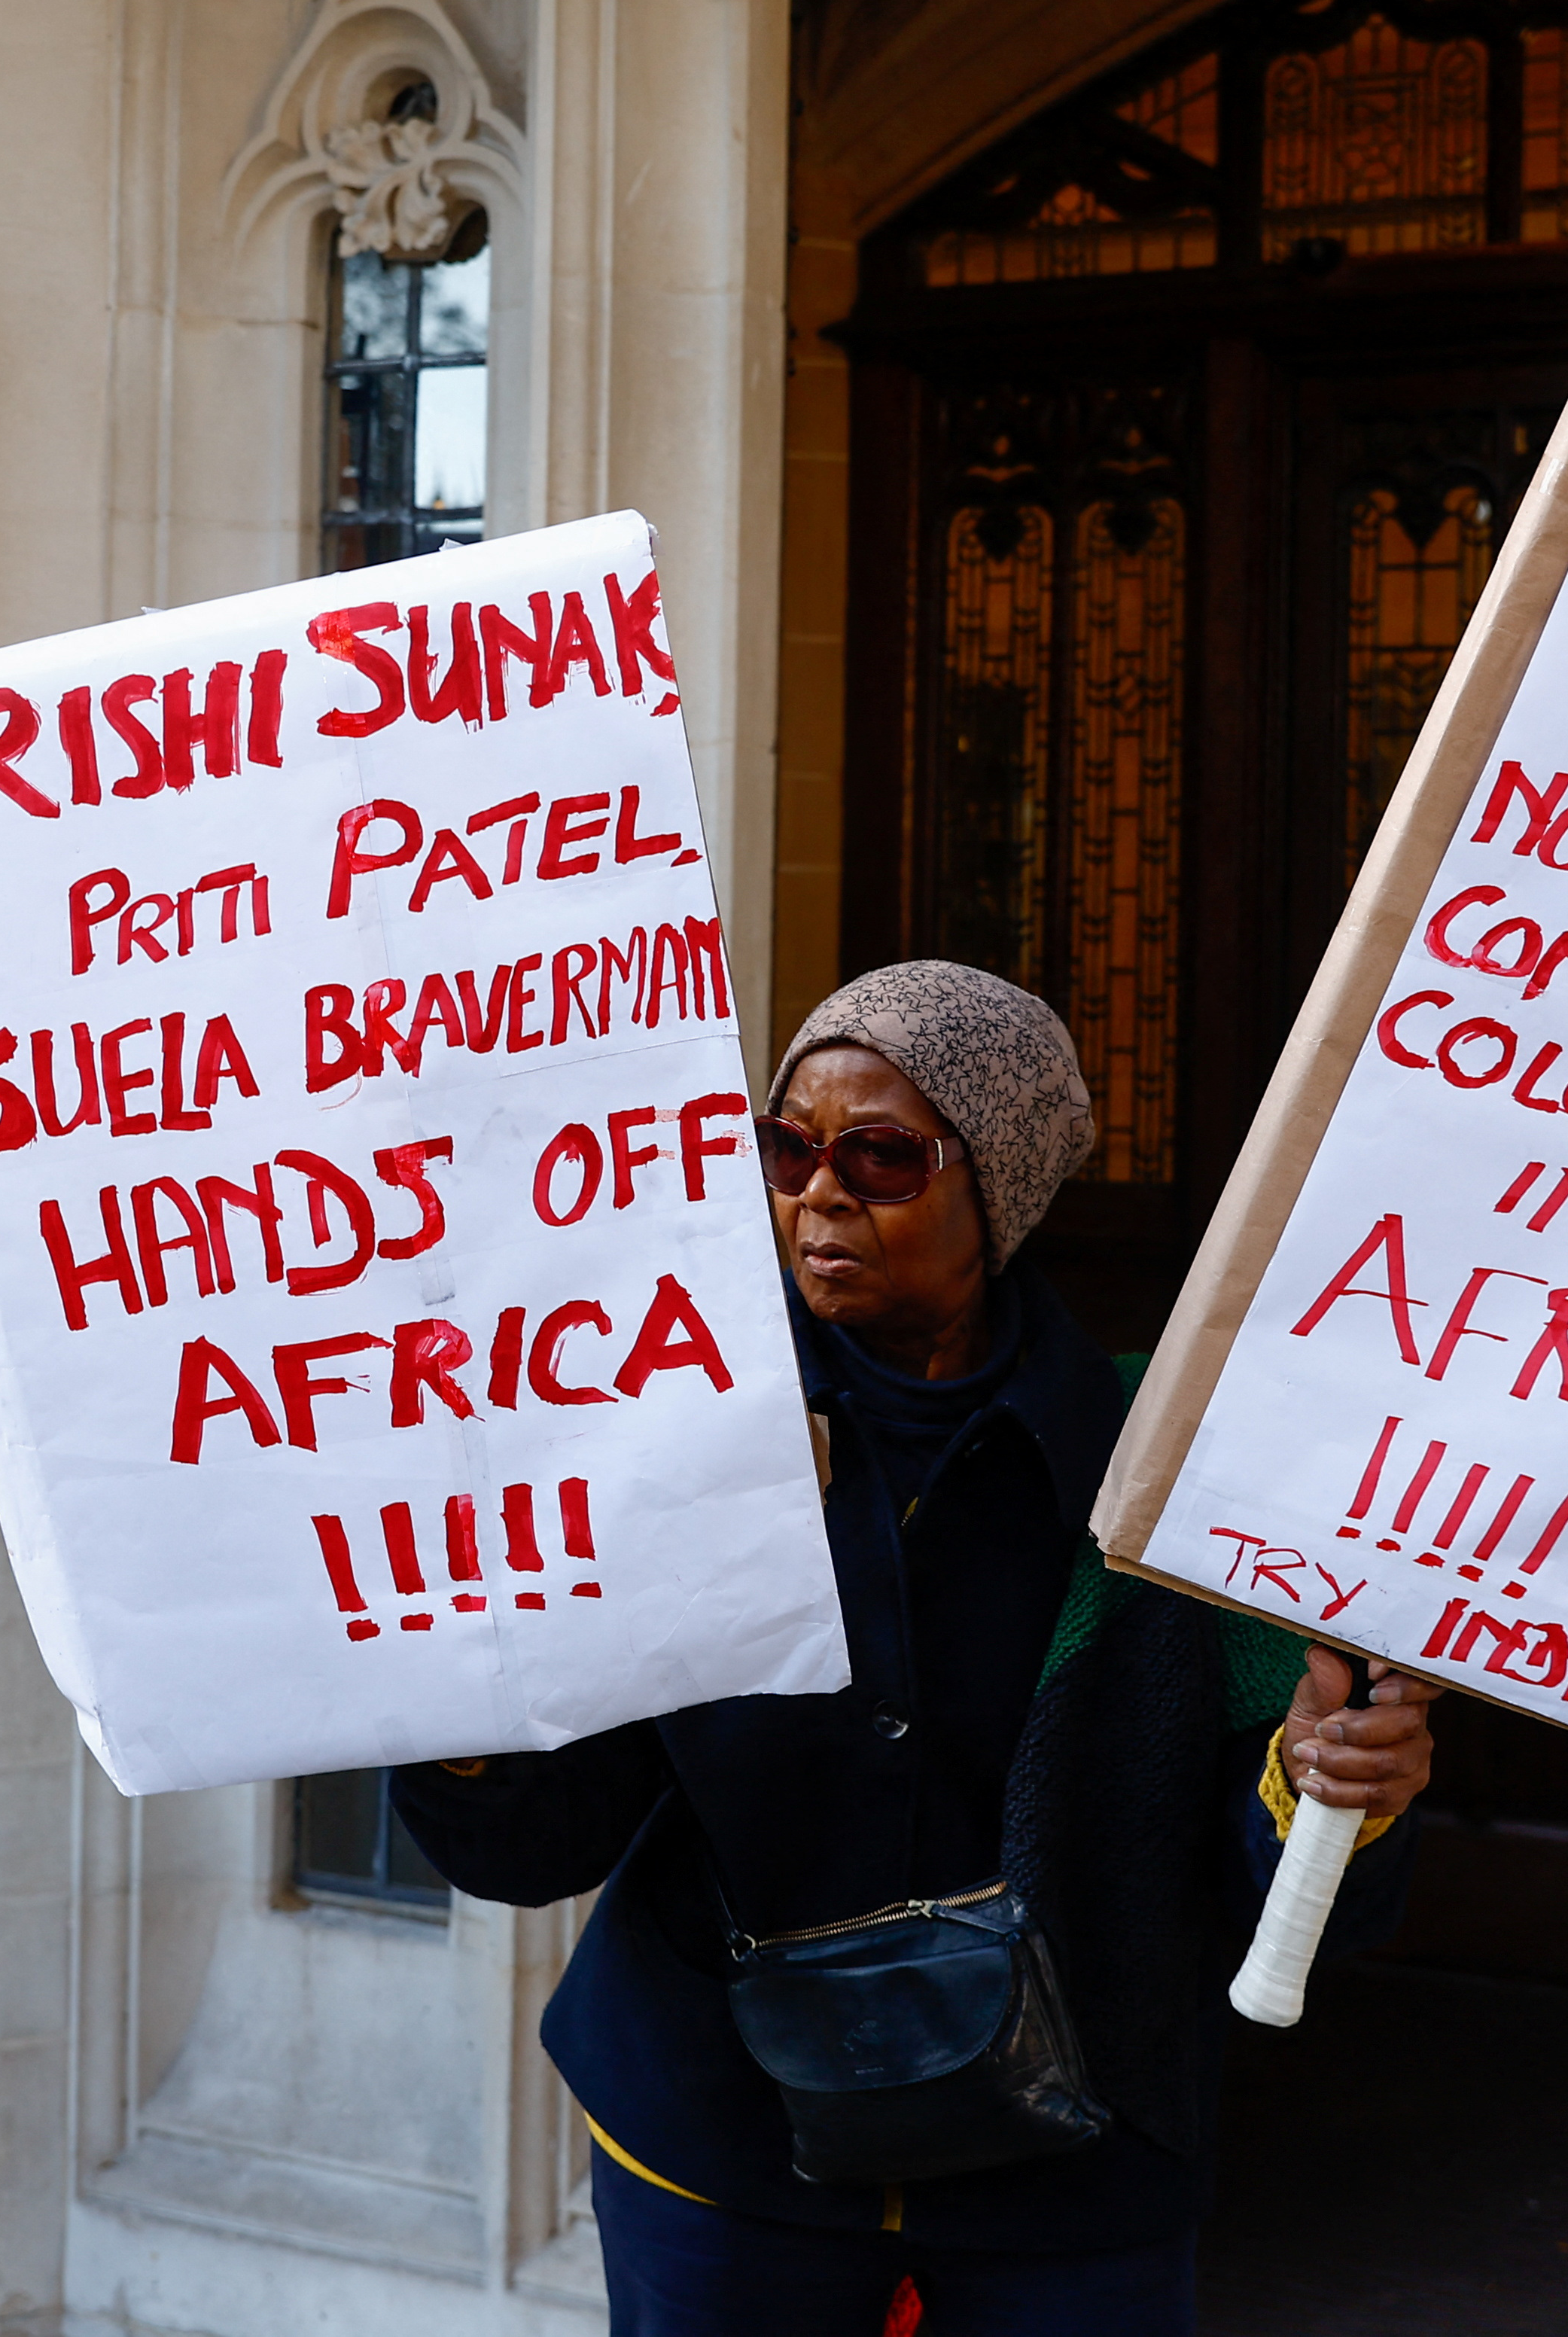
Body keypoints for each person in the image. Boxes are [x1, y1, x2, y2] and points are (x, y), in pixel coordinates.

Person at [389, 960, 1438, 2335]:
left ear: (993, 1185)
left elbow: (1289, 1911)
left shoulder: (1163, 1480)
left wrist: (1331, 1791)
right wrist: (464, 1727)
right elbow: (538, 1847)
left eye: (881, 1155)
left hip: (1072, 2171)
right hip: (721, 2147)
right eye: (787, 1149)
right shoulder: (660, 1434)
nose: (819, 1192)